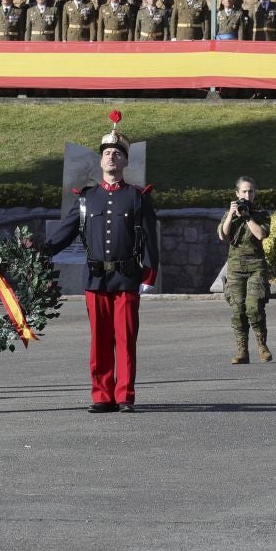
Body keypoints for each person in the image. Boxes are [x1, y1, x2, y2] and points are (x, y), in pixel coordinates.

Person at [44, 122, 158, 414]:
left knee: (125, 339)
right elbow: (64, 233)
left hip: (126, 277)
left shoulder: (137, 197)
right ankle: (102, 395)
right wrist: (39, 251)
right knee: (100, 340)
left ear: (125, 161)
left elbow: (148, 239)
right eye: (106, 152)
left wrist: (150, 273)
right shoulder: (87, 198)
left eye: (117, 153)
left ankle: (125, 396)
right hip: (96, 278)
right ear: (100, 160)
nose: (111, 157)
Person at [217, 176, 271, 365]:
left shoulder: (261, 214)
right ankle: (242, 351)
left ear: (254, 193)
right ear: (237, 193)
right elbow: (223, 235)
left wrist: (247, 216)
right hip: (236, 268)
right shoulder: (229, 214)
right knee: (238, 310)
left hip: (256, 267)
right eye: (244, 191)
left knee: (254, 307)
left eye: (251, 191)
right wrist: (232, 215)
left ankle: (262, 346)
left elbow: (261, 234)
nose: (247, 195)